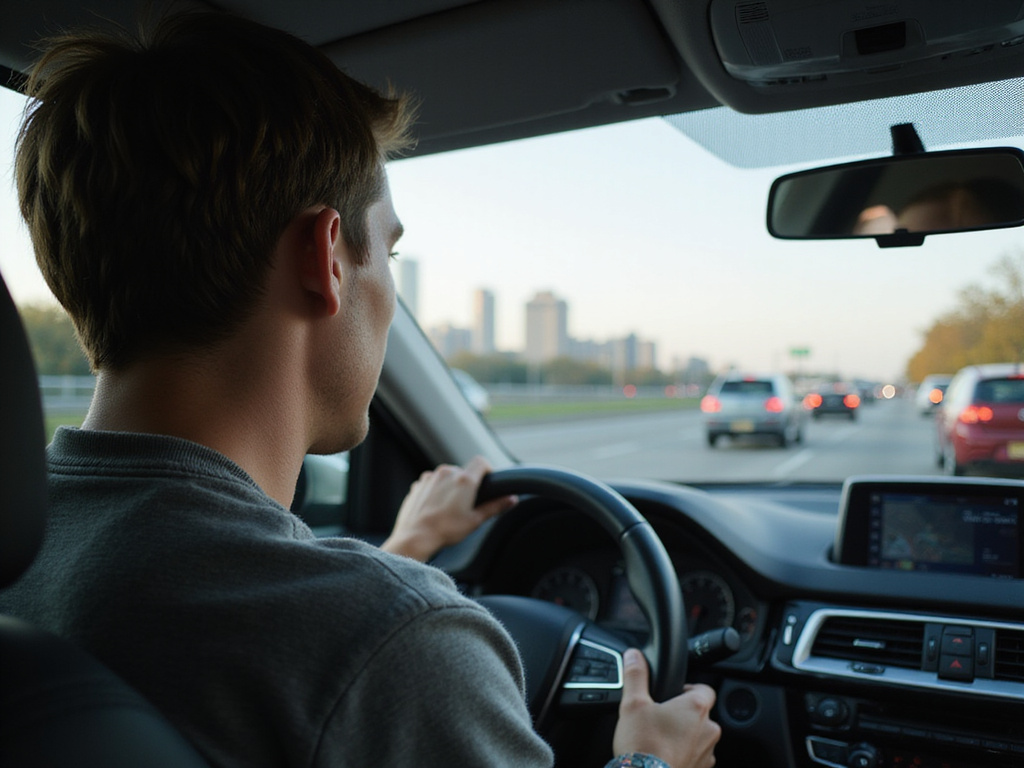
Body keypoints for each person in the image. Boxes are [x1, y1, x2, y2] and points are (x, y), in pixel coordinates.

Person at [1, 10, 720, 768]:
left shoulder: (28, 554)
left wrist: (404, 554)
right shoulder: (401, 645)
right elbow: (335, 641)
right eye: (389, 250)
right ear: (328, 259)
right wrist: (650, 763)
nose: (390, 288)